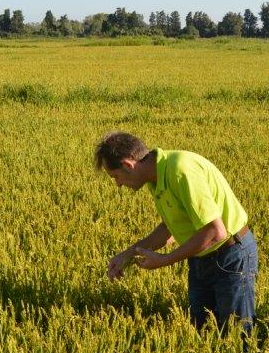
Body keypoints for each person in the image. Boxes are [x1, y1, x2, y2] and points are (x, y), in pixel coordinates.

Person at [94, 131, 257, 334]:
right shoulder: (155, 178)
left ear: (128, 165)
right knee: (202, 331)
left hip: (230, 256)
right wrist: (129, 254)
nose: (118, 184)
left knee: (237, 334)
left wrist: (164, 260)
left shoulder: (180, 170)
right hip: (200, 258)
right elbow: (170, 227)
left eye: (115, 176)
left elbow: (215, 232)